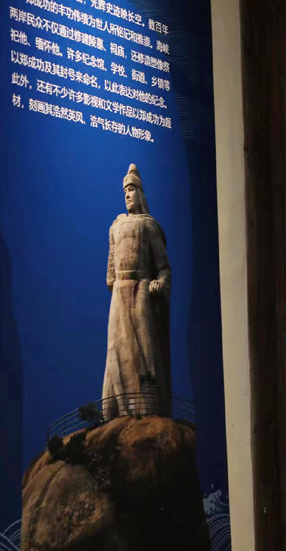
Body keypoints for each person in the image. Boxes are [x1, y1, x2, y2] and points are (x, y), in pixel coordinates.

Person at [102, 164, 172, 419]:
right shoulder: (115, 227)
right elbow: (110, 276)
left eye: (131, 190)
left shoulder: (148, 226)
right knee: (115, 350)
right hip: (119, 294)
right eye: (125, 192)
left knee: (143, 350)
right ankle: (115, 412)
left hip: (140, 292)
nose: (127, 195)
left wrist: (159, 284)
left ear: (140, 193)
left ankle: (145, 410)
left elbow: (163, 268)